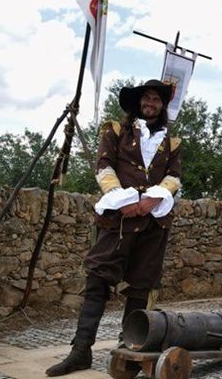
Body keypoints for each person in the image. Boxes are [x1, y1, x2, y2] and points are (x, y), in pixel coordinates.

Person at [47, 79, 182, 376]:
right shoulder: (115, 131)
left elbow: (174, 177)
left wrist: (152, 200)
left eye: (156, 100)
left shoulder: (172, 142)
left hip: (153, 220)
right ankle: (80, 351)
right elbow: (104, 167)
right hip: (118, 219)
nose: (150, 103)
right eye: (146, 98)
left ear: (162, 106)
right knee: (97, 281)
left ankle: (130, 350)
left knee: (141, 286)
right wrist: (122, 201)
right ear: (138, 102)